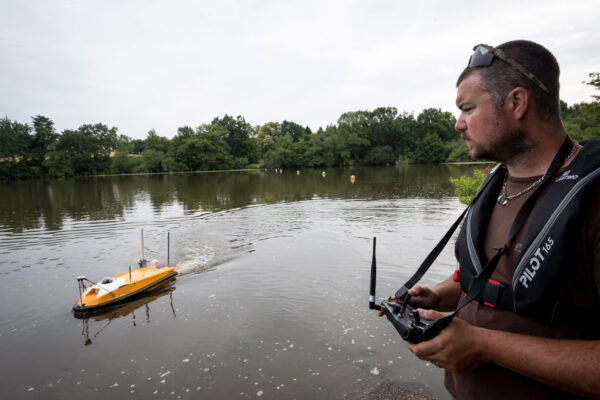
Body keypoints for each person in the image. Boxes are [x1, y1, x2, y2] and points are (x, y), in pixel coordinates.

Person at [382, 40, 600, 399]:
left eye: (467, 108)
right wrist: (437, 296)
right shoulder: (495, 185)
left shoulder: (594, 199)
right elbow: (493, 284)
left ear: (517, 103)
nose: (457, 124)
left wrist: (483, 345)